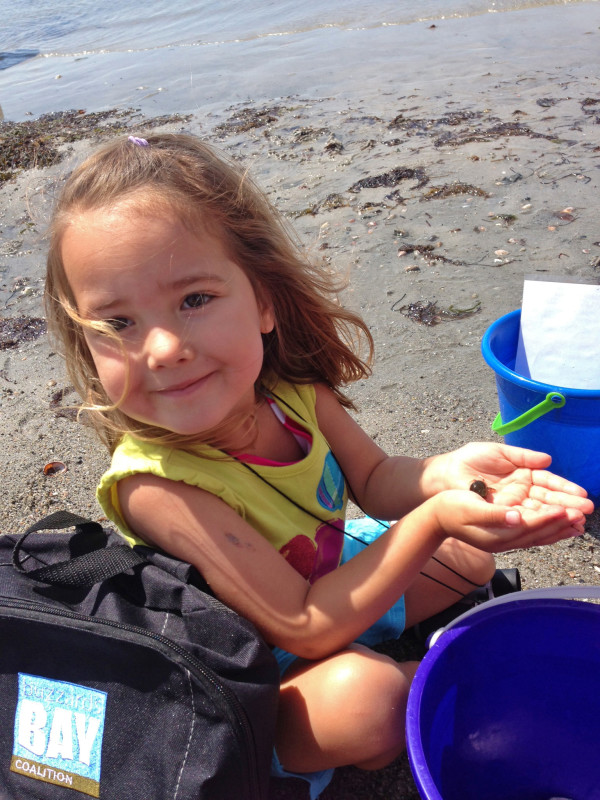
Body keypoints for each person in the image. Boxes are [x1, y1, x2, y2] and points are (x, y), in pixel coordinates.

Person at [44, 133, 593, 798]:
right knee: (370, 701)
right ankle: (429, 683)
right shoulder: (156, 484)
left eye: (194, 300)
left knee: (470, 558)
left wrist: (447, 475)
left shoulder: (296, 398)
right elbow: (305, 624)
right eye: (118, 324)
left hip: (326, 584)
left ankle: (419, 663)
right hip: (250, 673)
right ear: (85, 342)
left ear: (264, 302)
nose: (161, 348)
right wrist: (434, 518)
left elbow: (377, 480)